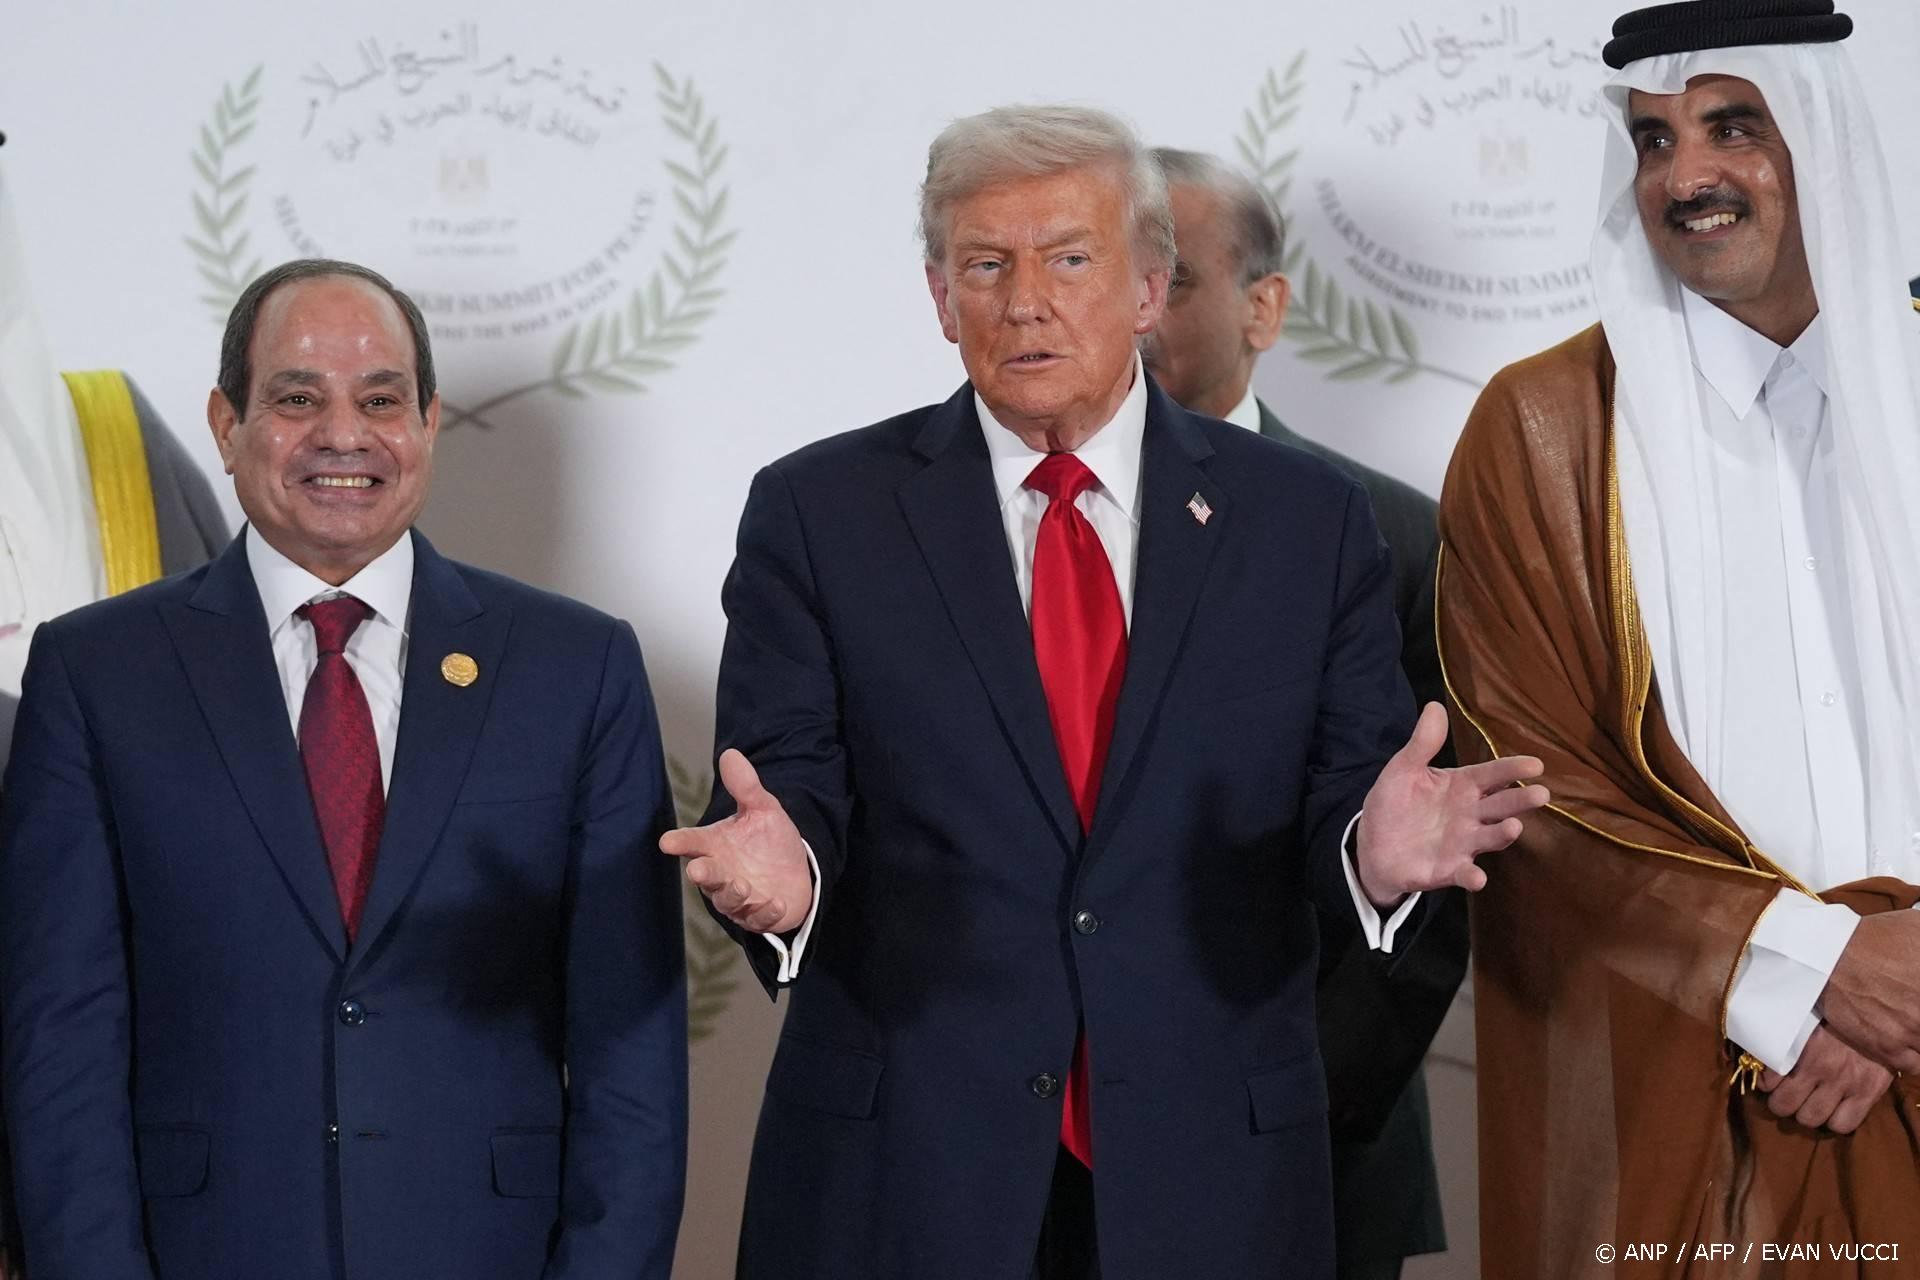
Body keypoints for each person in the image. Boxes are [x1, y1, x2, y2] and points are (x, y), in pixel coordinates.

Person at [663, 104, 1548, 1279]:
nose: (1024, 299)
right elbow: (789, 787)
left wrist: (1371, 855)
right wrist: (788, 876)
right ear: (940, 298)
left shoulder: (1305, 521)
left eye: (1068, 258)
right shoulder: (820, 512)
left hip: (1211, 1177)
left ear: (1146, 284)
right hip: (907, 1178)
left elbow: (1350, 787)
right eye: (985, 264)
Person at [0, 259, 687, 1279]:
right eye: (295, 397)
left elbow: (632, 1048)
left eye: (380, 399)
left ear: (428, 422)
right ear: (226, 423)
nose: (343, 434)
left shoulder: (575, 667)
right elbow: (61, 1044)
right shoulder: (95, 671)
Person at [1437, 2, 1920, 1273]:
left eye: (1731, 128)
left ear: (1819, 140)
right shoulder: (1544, 429)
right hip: (1684, 1086)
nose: (1686, 177)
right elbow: (1525, 787)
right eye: (1652, 141)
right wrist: (1813, 973)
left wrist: (1905, 993)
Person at [1143, 145, 1463, 1280]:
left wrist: (1286, 1101)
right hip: (1046, 1164)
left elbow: (1455, 869)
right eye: (1107, 269)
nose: (1130, 307)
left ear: (1264, 305)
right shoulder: (992, 526)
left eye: (1171, 276)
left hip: (1317, 1153)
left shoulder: (1396, 534)